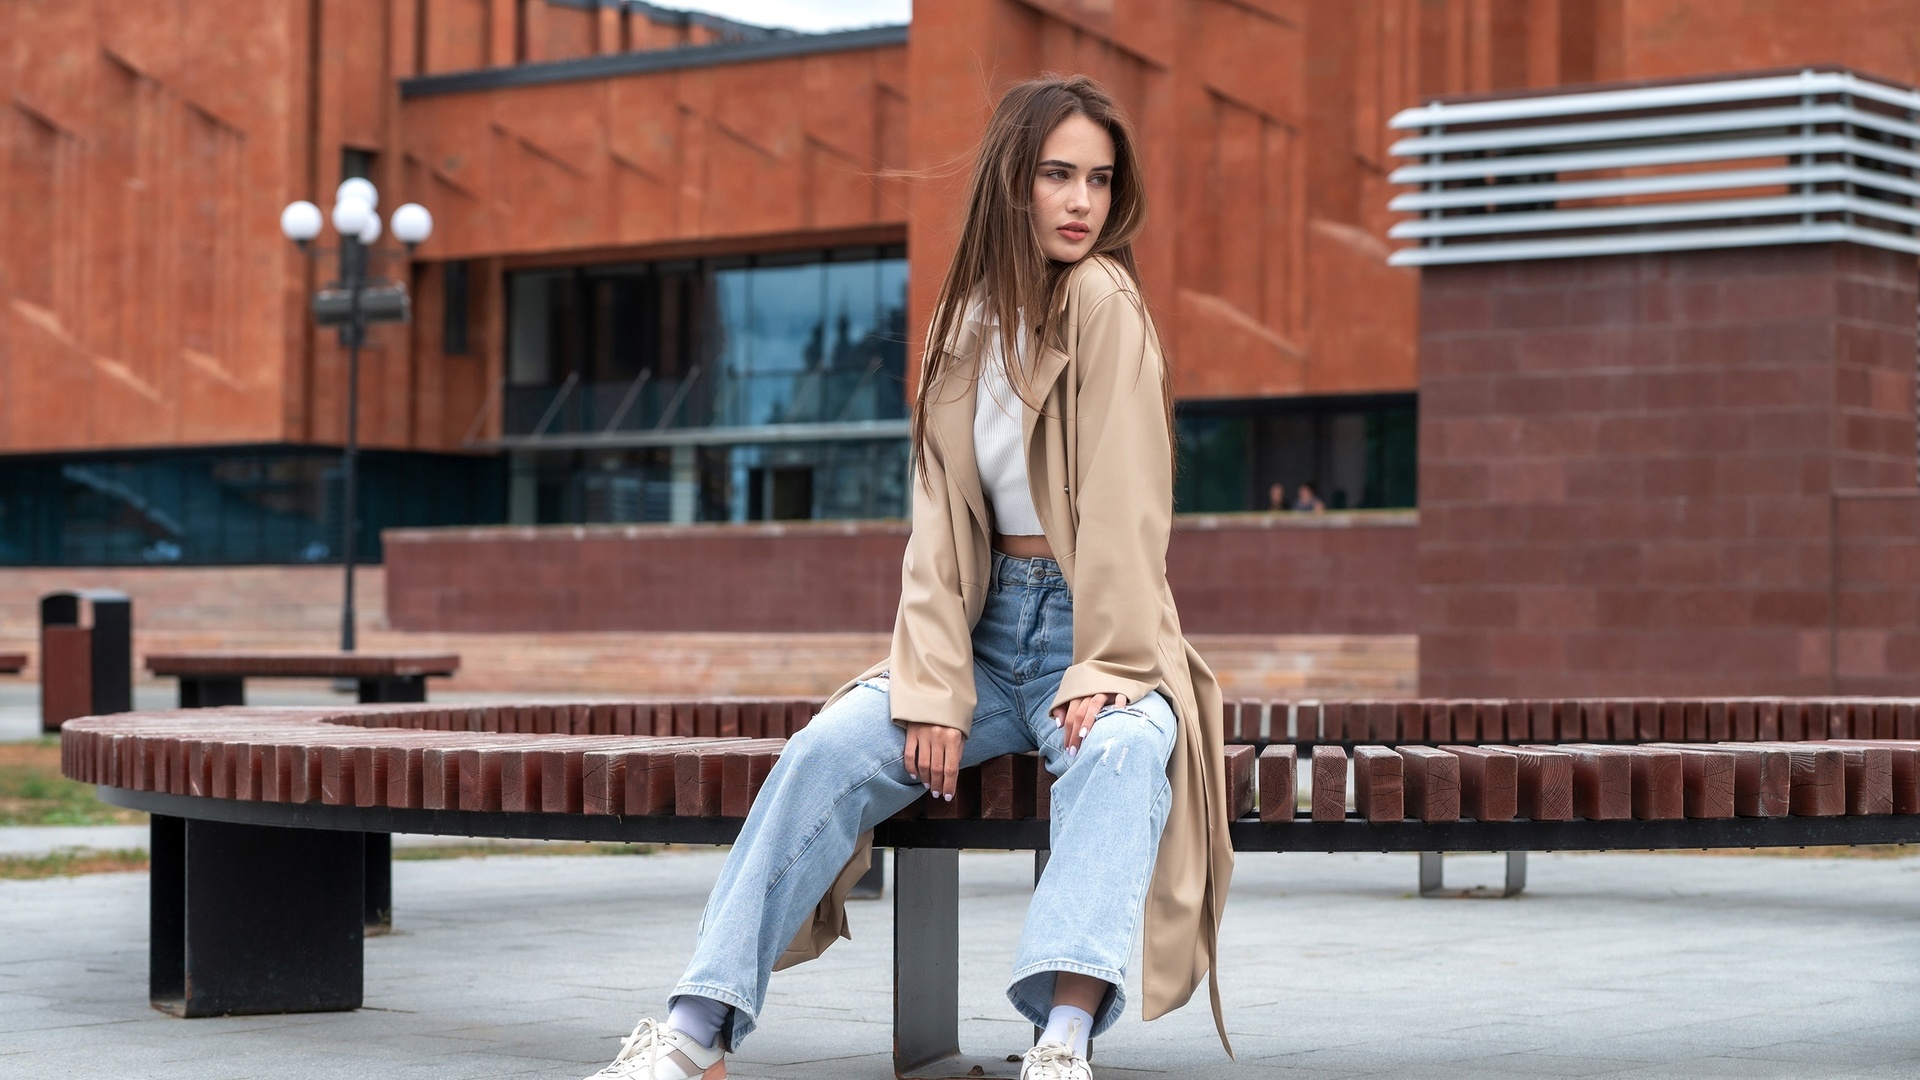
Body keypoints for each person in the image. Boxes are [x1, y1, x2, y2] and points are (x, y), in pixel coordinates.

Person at [583, 74, 1234, 1080]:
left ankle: (1061, 1044)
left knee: (1120, 756)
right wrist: (932, 685)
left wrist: (1106, 662)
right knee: (823, 751)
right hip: (976, 637)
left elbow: (1127, 500)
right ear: (1012, 183)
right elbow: (937, 520)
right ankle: (696, 1025)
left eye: (1099, 181)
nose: (1080, 203)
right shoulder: (963, 322)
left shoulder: (1106, 300)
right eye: (1057, 176)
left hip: (1098, 635)